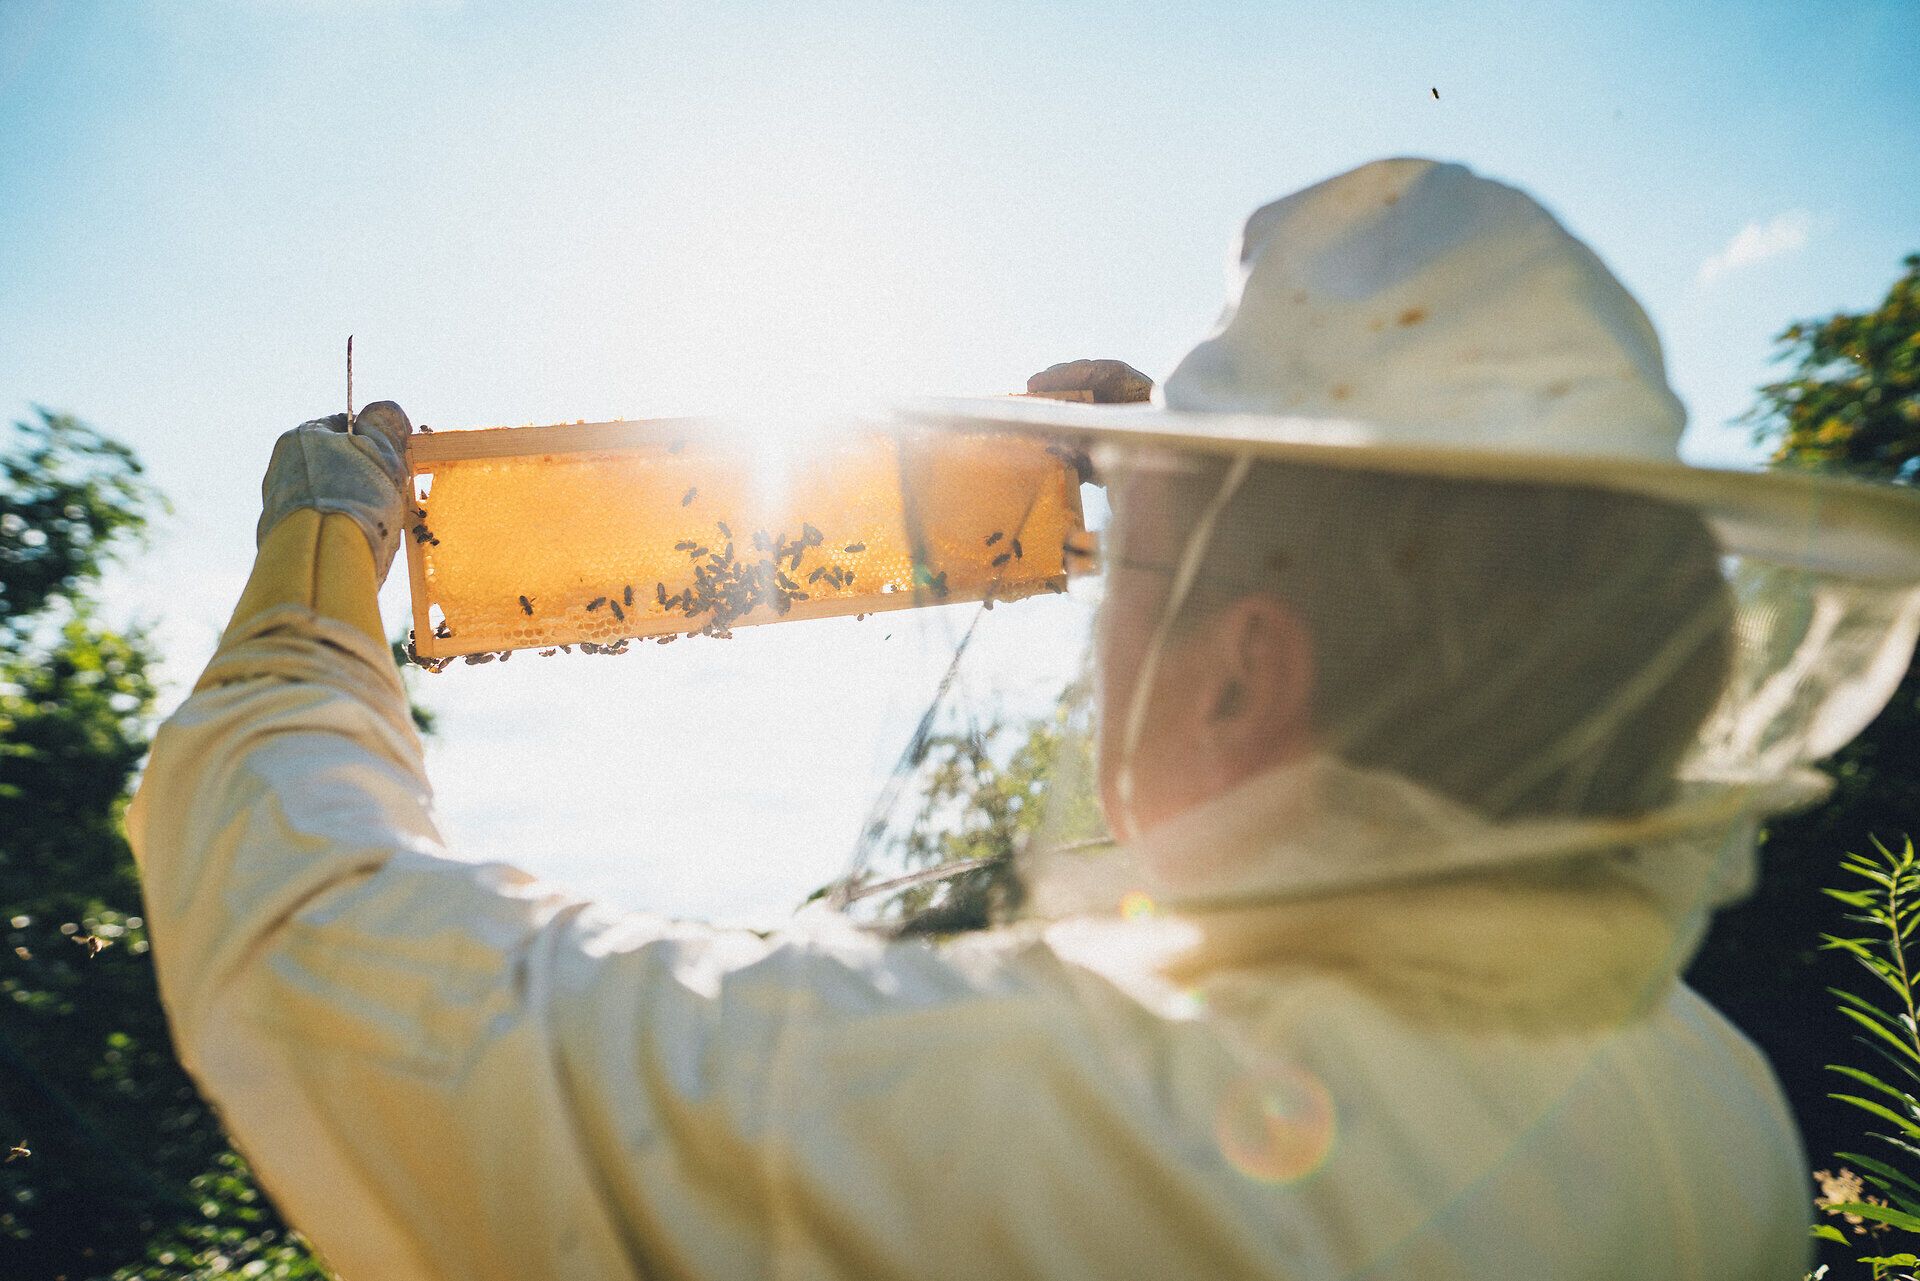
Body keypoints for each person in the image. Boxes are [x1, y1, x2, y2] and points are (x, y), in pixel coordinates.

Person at [133, 158, 1910, 1278]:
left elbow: (317, 940)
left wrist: (318, 564)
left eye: (1133, 570)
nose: (1095, 617)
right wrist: (1187, 492)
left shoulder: (1023, 1119)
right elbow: (1282, 843)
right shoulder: (1706, 1109)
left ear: (1245, 668)